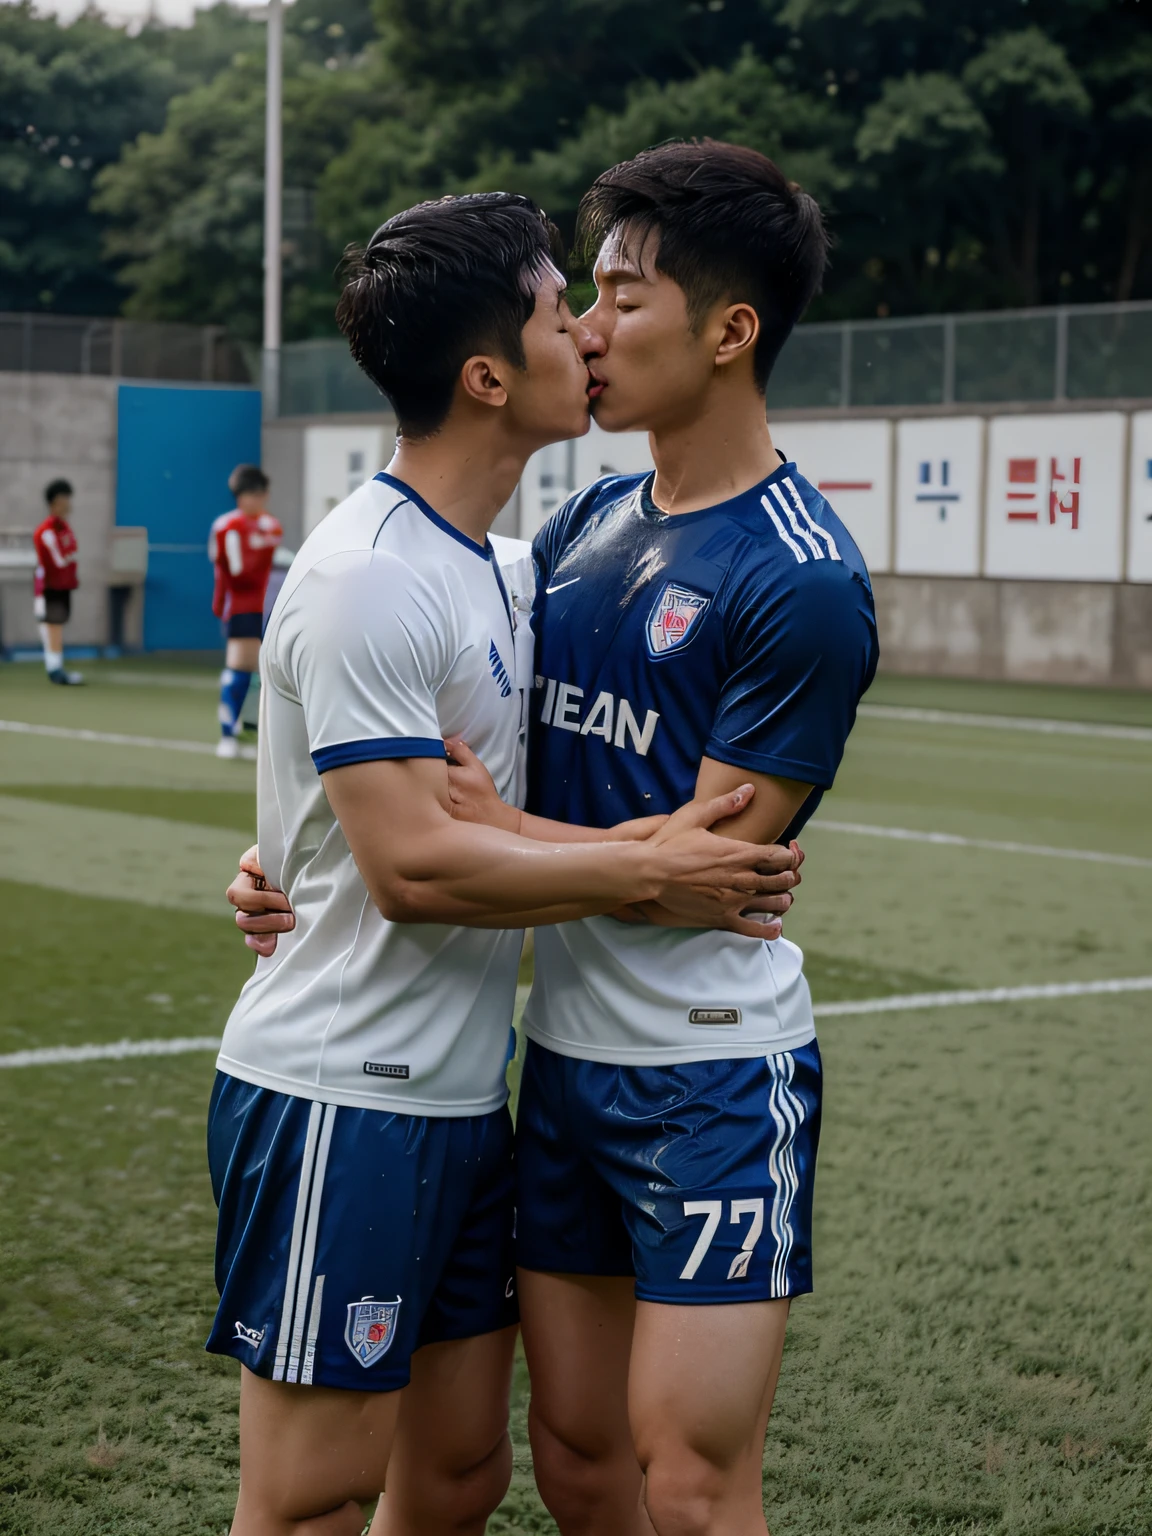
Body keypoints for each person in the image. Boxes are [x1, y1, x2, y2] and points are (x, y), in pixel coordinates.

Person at [232, 140, 878, 1536]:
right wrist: (305, 855)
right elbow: (380, 695)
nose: (586, 327)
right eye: (569, 300)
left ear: (729, 329)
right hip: (553, 1075)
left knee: (691, 1484)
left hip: (707, 1066)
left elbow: (701, 885)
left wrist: (475, 835)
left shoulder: (805, 581)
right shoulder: (577, 528)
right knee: (577, 1467)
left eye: (621, 296)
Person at [209, 463, 282, 758]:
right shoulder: (228, 526)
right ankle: (227, 735)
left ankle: (246, 728)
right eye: (247, 494)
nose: (253, 500)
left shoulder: (270, 525)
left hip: (265, 606)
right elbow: (238, 573)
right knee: (239, 669)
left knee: (258, 673)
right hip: (240, 606)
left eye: (258, 494)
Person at [33, 478, 82, 686]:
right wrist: (68, 558)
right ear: (55, 501)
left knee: (56, 625)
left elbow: (72, 551)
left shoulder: (64, 527)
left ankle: (56, 667)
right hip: (49, 586)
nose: (69, 503)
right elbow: (60, 559)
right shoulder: (46, 530)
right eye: (65, 499)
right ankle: (55, 670)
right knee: (52, 626)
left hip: (63, 584)